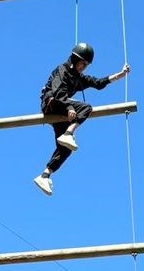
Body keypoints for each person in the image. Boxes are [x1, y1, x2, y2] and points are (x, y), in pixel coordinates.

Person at [34, 42, 130, 196]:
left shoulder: (78, 78)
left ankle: (45, 175)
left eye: (86, 65)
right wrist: (70, 108)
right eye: (82, 64)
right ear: (75, 60)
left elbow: (98, 83)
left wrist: (120, 75)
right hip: (51, 104)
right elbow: (58, 92)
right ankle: (69, 133)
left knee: (66, 148)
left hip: (62, 111)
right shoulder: (62, 70)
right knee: (86, 107)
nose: (84, 67)